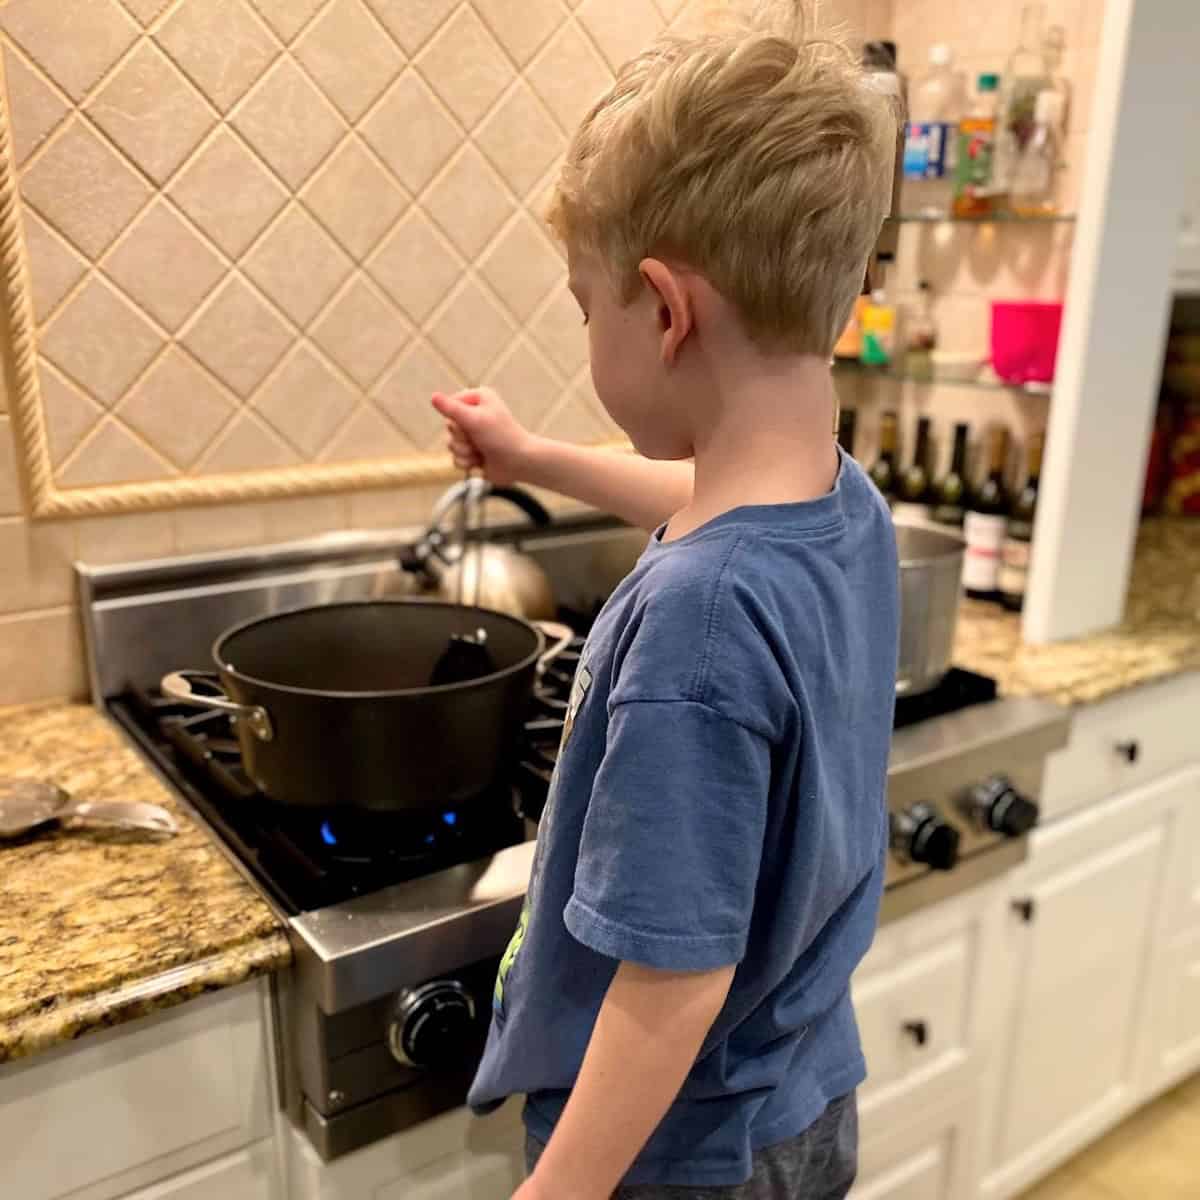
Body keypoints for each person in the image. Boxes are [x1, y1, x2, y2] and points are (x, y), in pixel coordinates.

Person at [431, 4, 901, 1196]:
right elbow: (697, 490)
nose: (589, 330)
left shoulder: (698, 619)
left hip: (682, 1156)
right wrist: (532, 458)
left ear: (665, 307)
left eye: (588, 308)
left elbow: (673, 980)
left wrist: (557, 1191)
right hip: (804, 1100)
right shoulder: (842, 503)